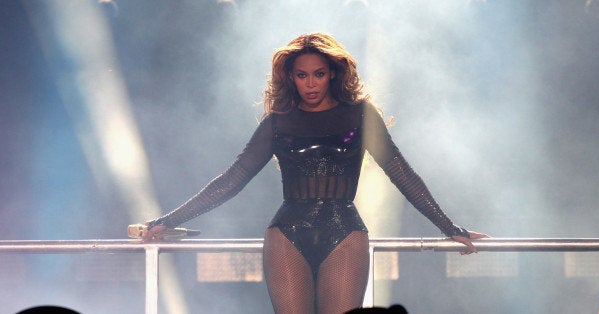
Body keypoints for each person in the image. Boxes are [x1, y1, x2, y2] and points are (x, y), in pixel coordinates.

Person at [140, 32, 488, 314]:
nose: (311, 83)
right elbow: (232, 179)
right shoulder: (278, 121)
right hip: (287, 233)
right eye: (302, 75)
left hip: (345, 232)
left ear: (333, 73)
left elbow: (402, 173)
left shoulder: (360, 115)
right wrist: (168, 221)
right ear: (290, 78)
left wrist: (448, 226)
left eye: (318, 74)